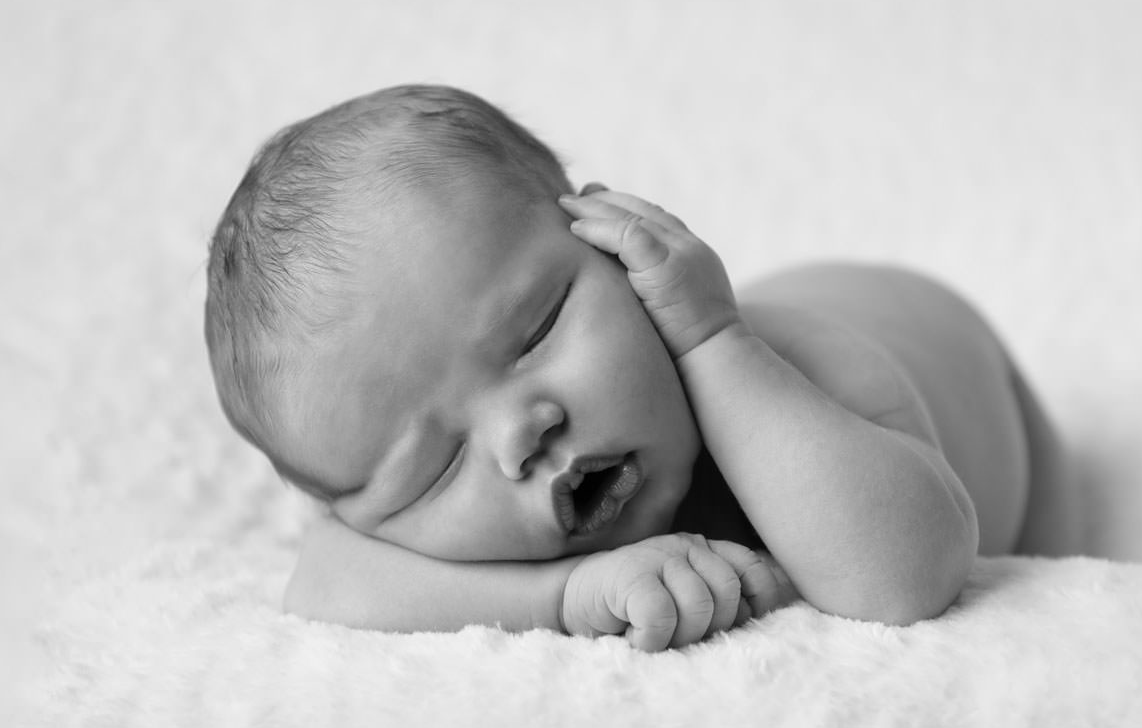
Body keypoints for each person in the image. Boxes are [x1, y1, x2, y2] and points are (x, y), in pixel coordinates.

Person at [205, 84, 1076, 651]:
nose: (521, 433)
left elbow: (908, 576)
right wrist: (565, 594)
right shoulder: (383, 541)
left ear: (615, 240)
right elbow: (323, 586)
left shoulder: (802, 363)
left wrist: (711, 342)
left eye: (536, 330)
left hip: (961, 361)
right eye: (433, 469)